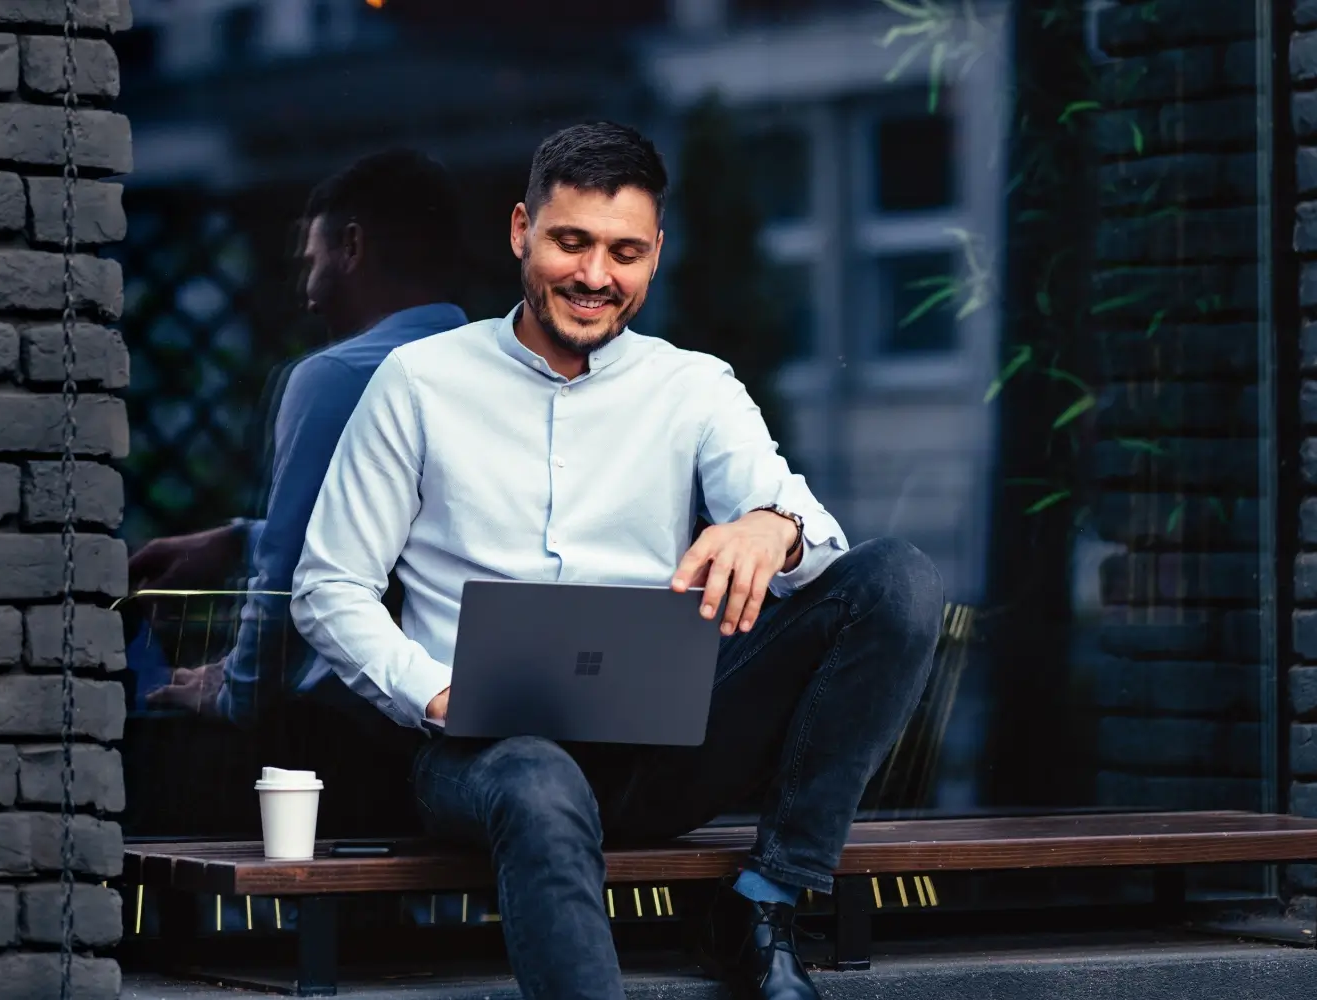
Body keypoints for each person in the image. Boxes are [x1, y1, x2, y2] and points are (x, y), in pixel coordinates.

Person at [290, 122, 941, 1000]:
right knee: (537, 779)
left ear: (656, 255)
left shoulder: (695, 386)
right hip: (484, 757)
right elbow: (330, 589)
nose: (597, 276)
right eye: (572, 242)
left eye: (625, 252)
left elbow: (814, 537)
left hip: (662, 750)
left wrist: (773, 526)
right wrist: (437, 692)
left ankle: (766, 901)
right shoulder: (415, 382)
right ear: (522, 229)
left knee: (896, 581)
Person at [137, 148, 468, 729]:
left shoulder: (338, 375)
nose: (308, 294)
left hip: (362, 731)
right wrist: (239, 540)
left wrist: (232, 699)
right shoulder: (504, 371)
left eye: (313, 261)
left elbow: (291, 580)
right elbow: (417, 545)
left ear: (353, 247)